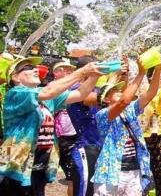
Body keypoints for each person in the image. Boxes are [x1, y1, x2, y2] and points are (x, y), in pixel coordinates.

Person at [0, 54, 101, 196]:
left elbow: (80, 94)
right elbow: (49, 91)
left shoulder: (46, 100)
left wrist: (94, 75)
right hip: (17, 164)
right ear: (15, 78)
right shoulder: (15, 94)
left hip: (39, 164)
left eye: (35, 67)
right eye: (28, 68)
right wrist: (83, 71)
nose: (35, 69)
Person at [92, 56, 161, 196]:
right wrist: (141, 74)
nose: (120, 91)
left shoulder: (129, 110)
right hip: (110, 173)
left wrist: (158, 68)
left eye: (120, 90)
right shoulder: (102, 115)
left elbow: (150, 94)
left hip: (134, 171)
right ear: (106, 99)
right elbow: (123, 102)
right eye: (115, 91)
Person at [66, 56, 105, 196]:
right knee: (84, 189)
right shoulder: (76, 89)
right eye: (96, 67)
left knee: (96, 189)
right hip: (86, 147)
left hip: (98, 145)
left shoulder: (97, 89)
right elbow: (93, 98)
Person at [139, 69, 161, 196]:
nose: (160, 78)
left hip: (159, 133)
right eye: (157, 76)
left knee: (159, 166)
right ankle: (144, 191)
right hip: (144, 133)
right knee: (143, 164)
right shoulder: (144, 90)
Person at [52, 58, 78, 196]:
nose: (69, 72)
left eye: (70, 69)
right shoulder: (51, 88)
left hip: (75, 135)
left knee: (74, 175)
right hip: (60, 137)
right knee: (71, 176)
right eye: (64, 69)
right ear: (55, 72)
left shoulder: (75, 87)